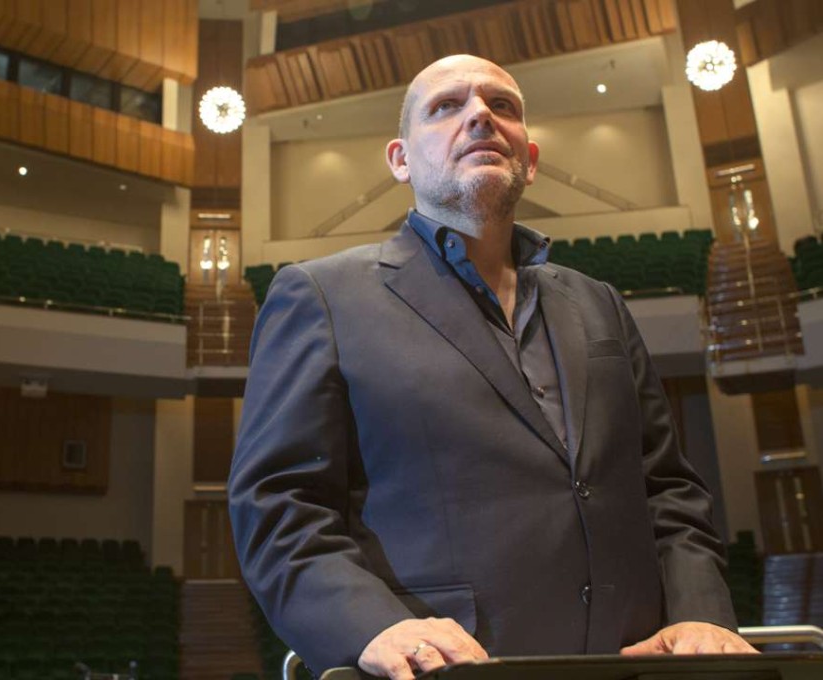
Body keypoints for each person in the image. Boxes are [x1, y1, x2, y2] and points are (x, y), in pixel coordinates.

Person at [228, 54, 755, 680]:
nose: (480, 113)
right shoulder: (319, 297)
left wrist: (701, 612)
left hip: (631, 663)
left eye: (502, 106)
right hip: (452, 668)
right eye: (446, 107)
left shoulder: (600, 304)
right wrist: (373, 625)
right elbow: (277, 505)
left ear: (528, 159)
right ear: (400, 160)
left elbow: (666, 487)